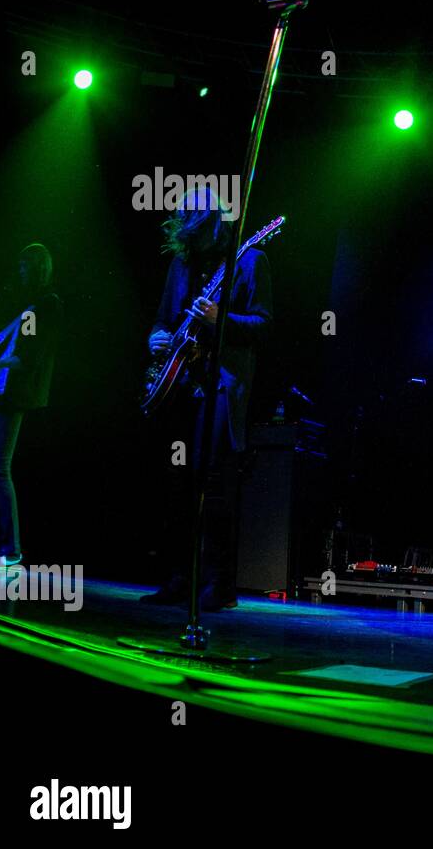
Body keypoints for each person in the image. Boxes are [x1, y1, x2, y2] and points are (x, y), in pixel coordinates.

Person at [140, 188, 273, 610]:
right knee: (179, 484)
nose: (194, 243)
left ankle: (220, 584)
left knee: (214, 482)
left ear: (215, 223)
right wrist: (155, 338)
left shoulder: (249, 260)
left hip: (221, 385)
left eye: (199, 231)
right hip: (181, 385)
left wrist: (220, 320)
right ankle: (181, 577)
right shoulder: (181, 264)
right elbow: (163, 320)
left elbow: (262, 326)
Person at [0, 243, 63, 566]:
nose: (20, 271)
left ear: (38, 268)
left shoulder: (48, 305)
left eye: (26, 266)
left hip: (14, 394)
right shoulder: (25, 301)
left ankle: (10, 547)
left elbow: (32, 356)